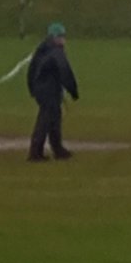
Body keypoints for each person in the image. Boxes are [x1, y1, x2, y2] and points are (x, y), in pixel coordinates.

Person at [27, 21, 79, 162]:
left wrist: (32, 88)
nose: (64, 39)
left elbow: (31, 69)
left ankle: (58, 149)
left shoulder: (43, 48)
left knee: (54, 118)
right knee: (46, 120)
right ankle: (35, 152)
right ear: (56, 37)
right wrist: (73, 90)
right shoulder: (56, 51)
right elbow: (65, 71)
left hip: (43, 89)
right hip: (48, 91)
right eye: (62, 36)